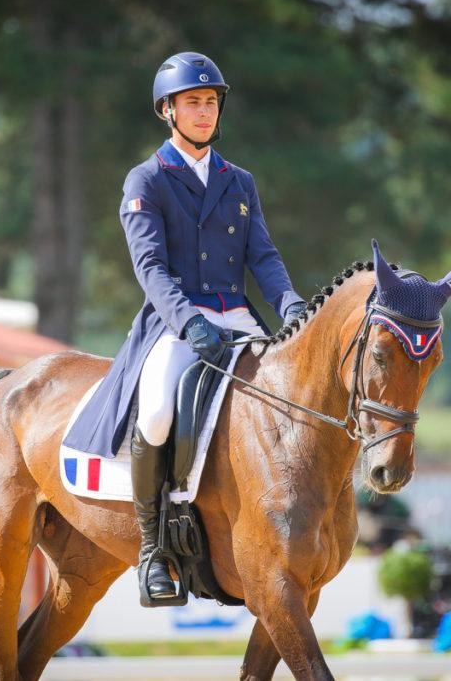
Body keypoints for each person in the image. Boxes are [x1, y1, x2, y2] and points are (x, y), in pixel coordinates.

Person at [84, 52, 306, 602]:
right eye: (192, 103)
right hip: (175, 321)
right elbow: (150, 269)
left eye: (210, 102)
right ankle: (152, 548)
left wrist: (292, 306)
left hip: (235, 313)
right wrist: (187, 322)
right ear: (168, 111)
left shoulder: (239, 181)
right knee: (158, 410)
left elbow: (265, 257)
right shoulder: (148, 180)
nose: (204, 112)